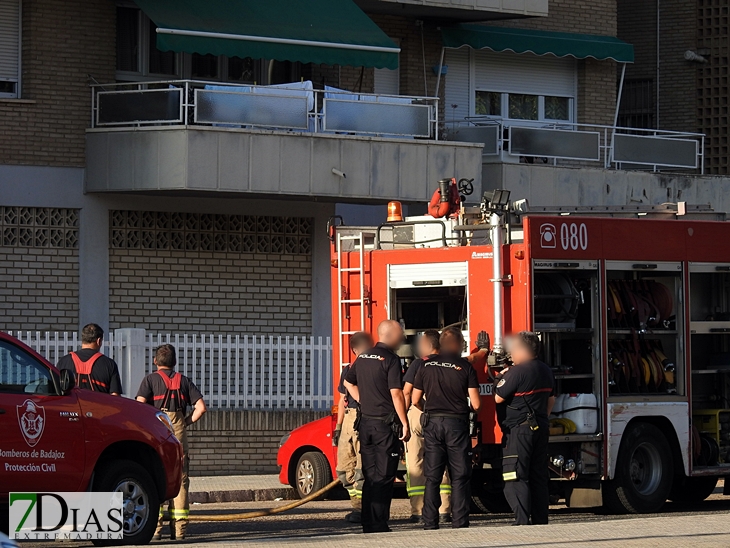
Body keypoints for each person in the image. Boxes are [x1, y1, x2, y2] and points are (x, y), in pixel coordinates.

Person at [343, 319, 410, 534]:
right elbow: (396, 393)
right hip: (384, 426)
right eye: (400, 334)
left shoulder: (362, 357)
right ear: (389, 335)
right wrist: (404, 422)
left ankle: (367, 522)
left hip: (365, 424)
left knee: (370, 476)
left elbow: (348, 382)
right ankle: (379, 523)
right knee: (384, 476)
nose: (402, 338)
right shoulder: (391, 359)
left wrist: (363, 400)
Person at [136, 344, 207, 541]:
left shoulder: (149, 380)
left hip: (156, 433)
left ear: (155, 361)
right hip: (178, 434)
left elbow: (140, 406)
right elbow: (201, 408)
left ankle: (155, 529)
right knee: (181, 479)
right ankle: (179, 531)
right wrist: (184, 423)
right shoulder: (184, 381)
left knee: (154, 475)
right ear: (174, 362)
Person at [411, 328, 480, 530]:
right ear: (458, 344)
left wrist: (429, 409)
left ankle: (430, 522)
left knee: (432, 475)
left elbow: (415, 400)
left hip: (432, 424)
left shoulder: (425, 366)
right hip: (456, 424)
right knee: (459, 474)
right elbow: (476, 404)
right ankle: (459, 521)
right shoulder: (465, 367)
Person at [494, 331, 555, 526]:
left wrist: (499, 378)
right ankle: (540, 520)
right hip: (540, 427)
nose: (511, 353)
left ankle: (521, 521)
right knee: (538, 476)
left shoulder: (517, 372)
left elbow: (498, 397)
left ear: (522, 350)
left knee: (515, 475)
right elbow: (551, 399)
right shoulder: (546, 370)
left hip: (519, 431)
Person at [402, 329, 452, 524]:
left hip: (418, 412)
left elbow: (407, 393)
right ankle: (444, 509)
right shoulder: (451, 364)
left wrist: (403, 421)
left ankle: (418, 510)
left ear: (426, 345)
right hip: (441, 415)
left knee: (415, 462)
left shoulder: (418, 364)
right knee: (442, 463)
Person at [334, 331, 374, 524]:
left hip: (364, 417)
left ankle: (362, 509)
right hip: (349, 419)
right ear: (355, 350)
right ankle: (356, 502)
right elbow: (343, 400)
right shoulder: (348, 369)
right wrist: (338, 426)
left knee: (361, 468)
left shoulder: (373, 368)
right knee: (343, 468)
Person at [56, 323, 123, 395]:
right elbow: (115, 396)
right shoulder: (110, 364)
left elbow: (56, 388)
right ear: (98, 341)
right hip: (98, 405)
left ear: (83, 339)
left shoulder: (63, 362)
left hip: (70, 405)